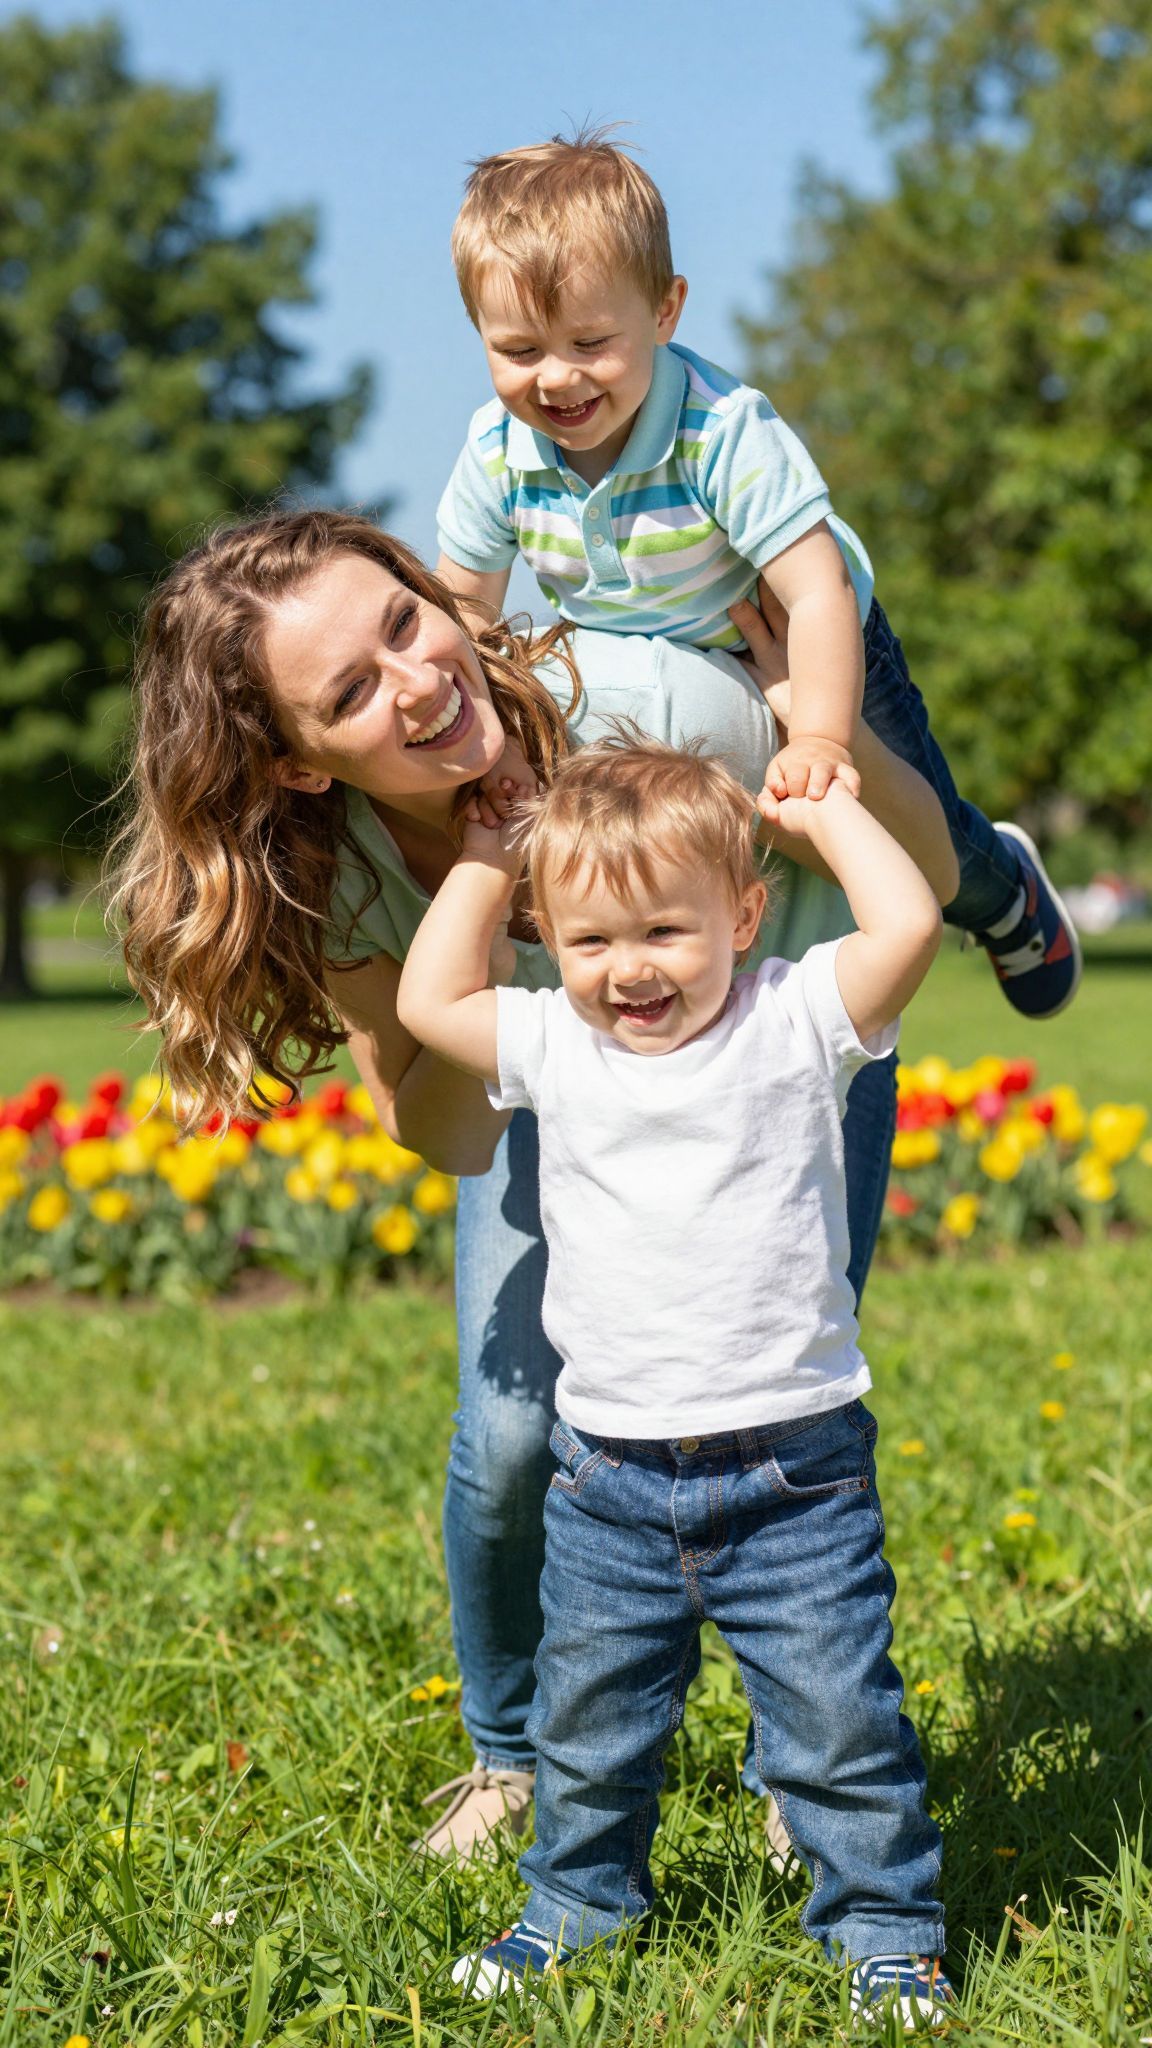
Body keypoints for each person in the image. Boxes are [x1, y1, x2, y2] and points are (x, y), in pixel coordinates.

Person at [114, 508, 956, 1863]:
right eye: (349, 695)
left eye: (403, 621)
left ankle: (805, 1761)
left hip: (772, 1077)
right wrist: (489, 925)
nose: (418, 681)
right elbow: (445, 1133)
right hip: (552, 1083)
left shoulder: (646, 702)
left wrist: (823, 731)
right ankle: (512, 1756)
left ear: (425, 587)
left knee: (763, 1409)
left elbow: (932, 873)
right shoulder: (336, 871)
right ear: (298, 761)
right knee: (512, 1441)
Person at [398, 734, 955, 2031]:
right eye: (589, 943)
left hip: (793, 1481)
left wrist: (828, 809)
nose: (628, 971)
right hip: (608, 1487)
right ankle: (573, 1908)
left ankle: (884, 1934)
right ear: (553, 946)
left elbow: (909, 920)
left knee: (836, 1731)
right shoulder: (552, 1044)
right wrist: (487, 866)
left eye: (665, 931)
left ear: (744, 917)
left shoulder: (799, 1018)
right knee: (587, 1733)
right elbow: (433, 1005)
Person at [436, 128, 1080, 1023]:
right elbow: (464, 615)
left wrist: (817, 733)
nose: (557, 378)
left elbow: (814, 588)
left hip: (809, 640)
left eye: (590, 341)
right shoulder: (497, 453)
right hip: (665, 658)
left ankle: (1001, 891)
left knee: (904, 824)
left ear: (665, 312)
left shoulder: (720, 430)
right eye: (519, 350)